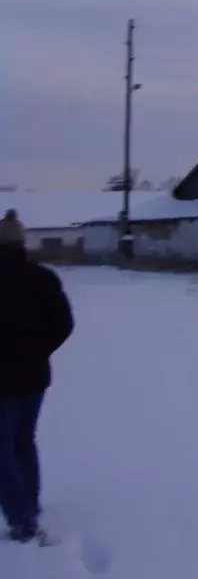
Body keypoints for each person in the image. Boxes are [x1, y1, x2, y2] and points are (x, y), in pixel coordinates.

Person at [0, 209, 74, 543]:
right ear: (22, 243)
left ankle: (21, 520)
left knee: (2, 450)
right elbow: (64, 324)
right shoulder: (43, 278)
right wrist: (39, 349)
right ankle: (30, 504)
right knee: (22, 442)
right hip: (34, 376)